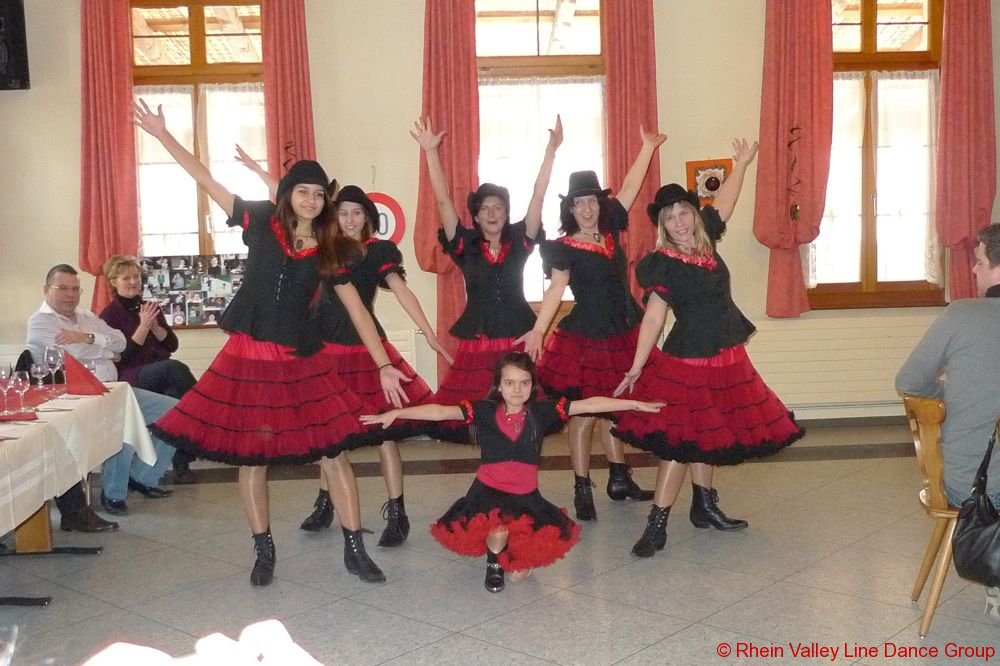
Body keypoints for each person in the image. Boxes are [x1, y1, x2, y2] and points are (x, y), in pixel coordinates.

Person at [134, 99, 408, 586]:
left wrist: (383, 363)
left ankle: (355, 548)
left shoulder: (330, 249)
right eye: (303, 191)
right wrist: (162, 135)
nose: (311, 200)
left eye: (318, 194)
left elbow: (358, 311)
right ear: (287, 194)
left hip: (302, 358)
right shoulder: (261, 221)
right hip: (249, 355)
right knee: (252, 455)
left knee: (334, 451)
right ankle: (263, 550)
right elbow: (207, 180)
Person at [235, 150, 451, 546]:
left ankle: (397, 512)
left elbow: (402, 292)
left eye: (357, 213)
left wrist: (430, 334)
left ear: (369, 218)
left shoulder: (377, 252)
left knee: (384, 433)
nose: (350, 219)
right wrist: (259, 171)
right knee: (329, 434)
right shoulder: (323, 247)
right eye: (344, 213)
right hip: (323, 348)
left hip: (366, 352)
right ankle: (326, 504)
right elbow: (291, 199)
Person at [611, 139, 803, 557]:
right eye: (670, 217)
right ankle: (657, 524)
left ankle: (704, 507)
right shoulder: (662, 263)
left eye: (684, 212)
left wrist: (742, 163)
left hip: (726, 358)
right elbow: (654, 319)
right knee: (680, 444)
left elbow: (726, 202)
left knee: (709, 435)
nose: (679, 222)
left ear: (694, 215)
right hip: (690, 362)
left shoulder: (707, 243)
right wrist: (637, 366)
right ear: (662, 226)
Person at [362, 352, 663, 592]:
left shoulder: (542, 412)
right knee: (497, 529)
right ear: (498, 385)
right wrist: (398, 412)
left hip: (525, 497)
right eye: (509, 383)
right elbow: (440, 411)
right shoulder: (483, 411)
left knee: (519, 576)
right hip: (488, 492)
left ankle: (505, 551)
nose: (517, 390)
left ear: (532, 386)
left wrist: (633, 404)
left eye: (524, 383)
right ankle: (493, 560)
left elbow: (589, 404)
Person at [519, 126, 665, 521]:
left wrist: (647, 148)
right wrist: (539, 329)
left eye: (592, 202)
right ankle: (582, 487)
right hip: (586, 337)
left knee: (615, 406)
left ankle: (619, 478)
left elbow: (631, 188)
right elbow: (557, 288)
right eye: (579, 203)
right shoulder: (563, 247)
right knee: (582, 415)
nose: (587, 209)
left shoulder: (610, 230)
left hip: (622, 330)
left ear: (601, 204)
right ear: (570, 209)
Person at [410, 115, 561, 443]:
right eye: (486, 209)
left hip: (517, 336)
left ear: (506, 214)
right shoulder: (464, 244)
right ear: (476, 216)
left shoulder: (520, 240)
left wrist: (551, 151)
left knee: (522, 413)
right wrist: (430, 152)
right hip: (478, 341)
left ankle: (517, 462)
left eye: (499, 208)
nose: (492, 213)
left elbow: (538, 197)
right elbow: (442, 200)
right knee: (481, 415)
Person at [897, 223, 1000, 620]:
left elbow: (909, 382)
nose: (973, 269)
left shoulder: (962, 314)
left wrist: (954, 394)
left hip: (971, 487)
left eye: (979, 262)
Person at [26, 264, 179, 517]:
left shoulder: (86, 316)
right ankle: (114, 493)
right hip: (76, 399)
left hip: (113, 389)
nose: (70, 295)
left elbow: (121, 342)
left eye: (75, 289)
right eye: (62, 288)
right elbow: (78, 354)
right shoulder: (39, 322)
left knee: (178, 412)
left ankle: (141, 476)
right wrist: (107, 352)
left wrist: (88, 338)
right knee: (124, 421)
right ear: (46, 290)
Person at [100, 255, 199, 484]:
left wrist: (155, 327)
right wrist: (144, 327)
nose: (133, 282)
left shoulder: (149, 307)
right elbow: (123, 357)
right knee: (175, 369)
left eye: (136, 277)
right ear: (113, 282)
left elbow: (172, 345)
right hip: (131, 374)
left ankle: (181, 463)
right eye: (126, 278)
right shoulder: (108, 316)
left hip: (160, 371)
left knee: (178, 402)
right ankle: (203, 411)